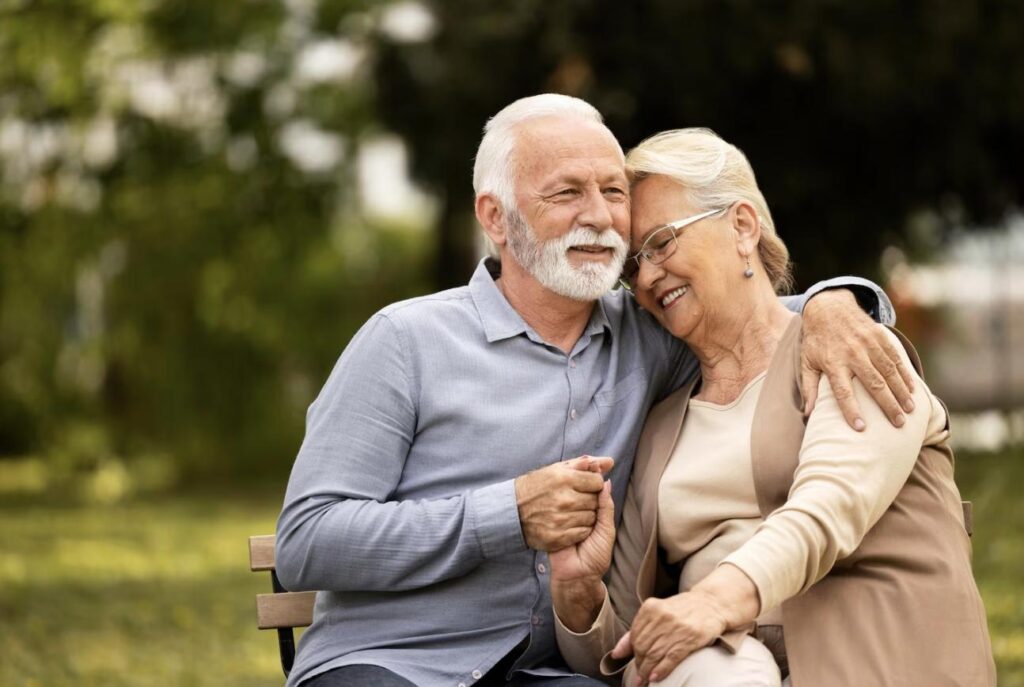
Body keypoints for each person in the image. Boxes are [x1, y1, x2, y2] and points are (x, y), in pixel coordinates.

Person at [275, 95, 913, 687]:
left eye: (613, 191)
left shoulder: (652, 333)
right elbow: (306, 542)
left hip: (548, 674)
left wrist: (841, 302)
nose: (601, 216)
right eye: (567, 192)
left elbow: (757, 316)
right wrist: (507, 515)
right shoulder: (404, 342)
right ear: (496, 216)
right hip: (391, 664)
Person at [550, 128, 996, 686]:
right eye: (633, 264)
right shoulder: (661, 426)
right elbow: (625, 645)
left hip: (874, 663)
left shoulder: (849, 350)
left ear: (742, 226)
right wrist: (577, 591)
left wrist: (710, 603)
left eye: (662, 243)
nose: (646, 276)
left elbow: (827, 509)